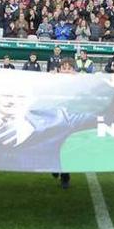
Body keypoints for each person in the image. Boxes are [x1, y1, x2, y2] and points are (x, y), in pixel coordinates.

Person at [51, 58, 77, 189]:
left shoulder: (79, 83)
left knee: (66, 149)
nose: (66, 71)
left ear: (74, 70)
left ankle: (65, 177)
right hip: (55, 120)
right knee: (53, 146)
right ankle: (54, 168)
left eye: (69, 68)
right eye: (64, 68)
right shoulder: (54, 82)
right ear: (59, 70)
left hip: (70, 121)